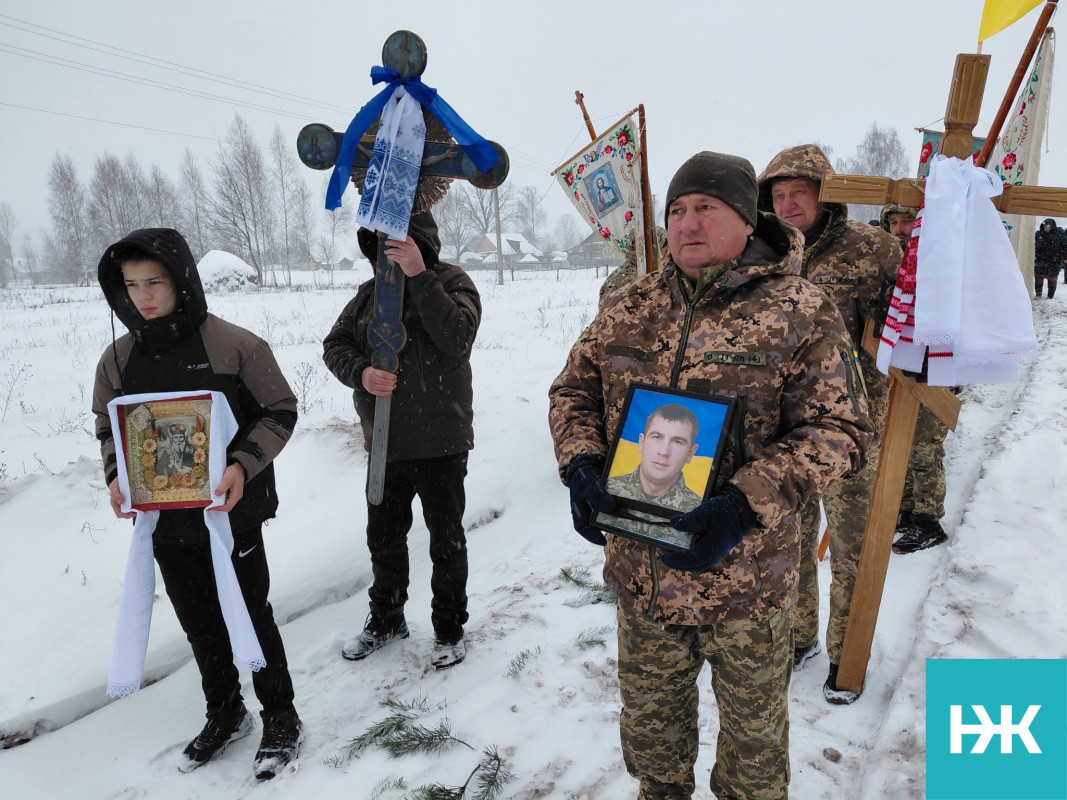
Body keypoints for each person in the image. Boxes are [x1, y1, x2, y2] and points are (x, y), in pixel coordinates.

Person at [549, 151, 871, 800]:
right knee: (653, 755)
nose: (686, 223)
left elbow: (841, 433)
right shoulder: (630, 305)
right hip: (643, 577)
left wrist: (741, 507)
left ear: (745, 223)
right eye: (676, 210)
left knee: (752, 771)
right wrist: (581, 465)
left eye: (705, 207)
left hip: (747, 583)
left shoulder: (798, 310)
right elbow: (571, 393)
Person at [92, 228, 302, 779]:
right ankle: (226, 712)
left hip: (231, 512)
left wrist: (240, 466)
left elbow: (279, 411)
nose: (142, 296)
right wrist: (119, 476)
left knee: (251, 614)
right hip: (165, 519)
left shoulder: (234, 346)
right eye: (130, 284)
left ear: (181, 281)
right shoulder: (117, 361)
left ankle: (281, 716)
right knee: (200, 622)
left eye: (154, 282)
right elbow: (109, 426)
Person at [757, 144, 901, 703]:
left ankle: (848, 652)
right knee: (787, 542)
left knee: (851, 547)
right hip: (780, 431)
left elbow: (910, 323)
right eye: (778, 195)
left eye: (799, 193)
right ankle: (798, 638)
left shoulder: (872, 249)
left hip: (848, 429)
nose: (788, 204)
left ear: (824, 193)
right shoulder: (764, 252)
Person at [323, 210, 479, 671]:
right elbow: (335, 346)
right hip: (385, 444)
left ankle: (449, 627)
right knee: (384, 539)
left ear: (422, 239)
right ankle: (387, 617)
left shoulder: (453, 282)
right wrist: (363, 374)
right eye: (382, 242)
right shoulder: (370, 293)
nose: (388, 249)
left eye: (400, 240)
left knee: (445, 542)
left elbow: (457, 337)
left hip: (442, 442)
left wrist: (419, 274)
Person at [879, 203, 951, 554]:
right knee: (901, 442)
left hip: (935, 365)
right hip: (898, 366)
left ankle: (928, 521)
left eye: (907, 220)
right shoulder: (887, 262)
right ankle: (906, 511)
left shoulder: (942, 257)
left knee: (924, 445)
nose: (900, 228)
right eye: (893, 222)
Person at [598, 403, 703, 550]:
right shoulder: (607, 489)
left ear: (691, 453)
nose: (664, 451)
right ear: (642, 441)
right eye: (657, 437)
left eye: (678, 441)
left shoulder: (700, 510)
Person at [598, 226, 669, 310]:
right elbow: (608, 318)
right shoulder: (621, 280)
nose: (666, 251)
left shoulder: (656, 272)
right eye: (663, 246)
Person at [1034, 218, 1067, 299]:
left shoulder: (1059, 234)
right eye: (1045, 226)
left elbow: (1065, 247)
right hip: (1040, 259)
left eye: (1049, 226)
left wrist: (1065, 257)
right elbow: (1033, 245)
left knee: (1052, 278)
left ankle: (1050, 296)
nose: (1047, 228)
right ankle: (1038, 294)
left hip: (1054, 260)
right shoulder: (1038, 234)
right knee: (1038, 276)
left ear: (1052, 226)